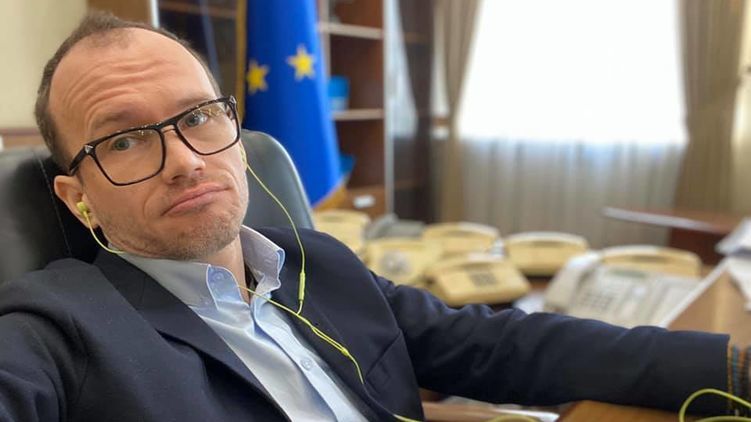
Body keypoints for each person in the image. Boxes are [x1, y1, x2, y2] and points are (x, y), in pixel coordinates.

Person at [0, 11, 740, 421]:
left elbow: (503, 346)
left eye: (197, 117)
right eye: (124, 140)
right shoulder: (56, 327)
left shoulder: (315, 264)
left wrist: (733, 369)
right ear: (76, 196)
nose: (187, 160)